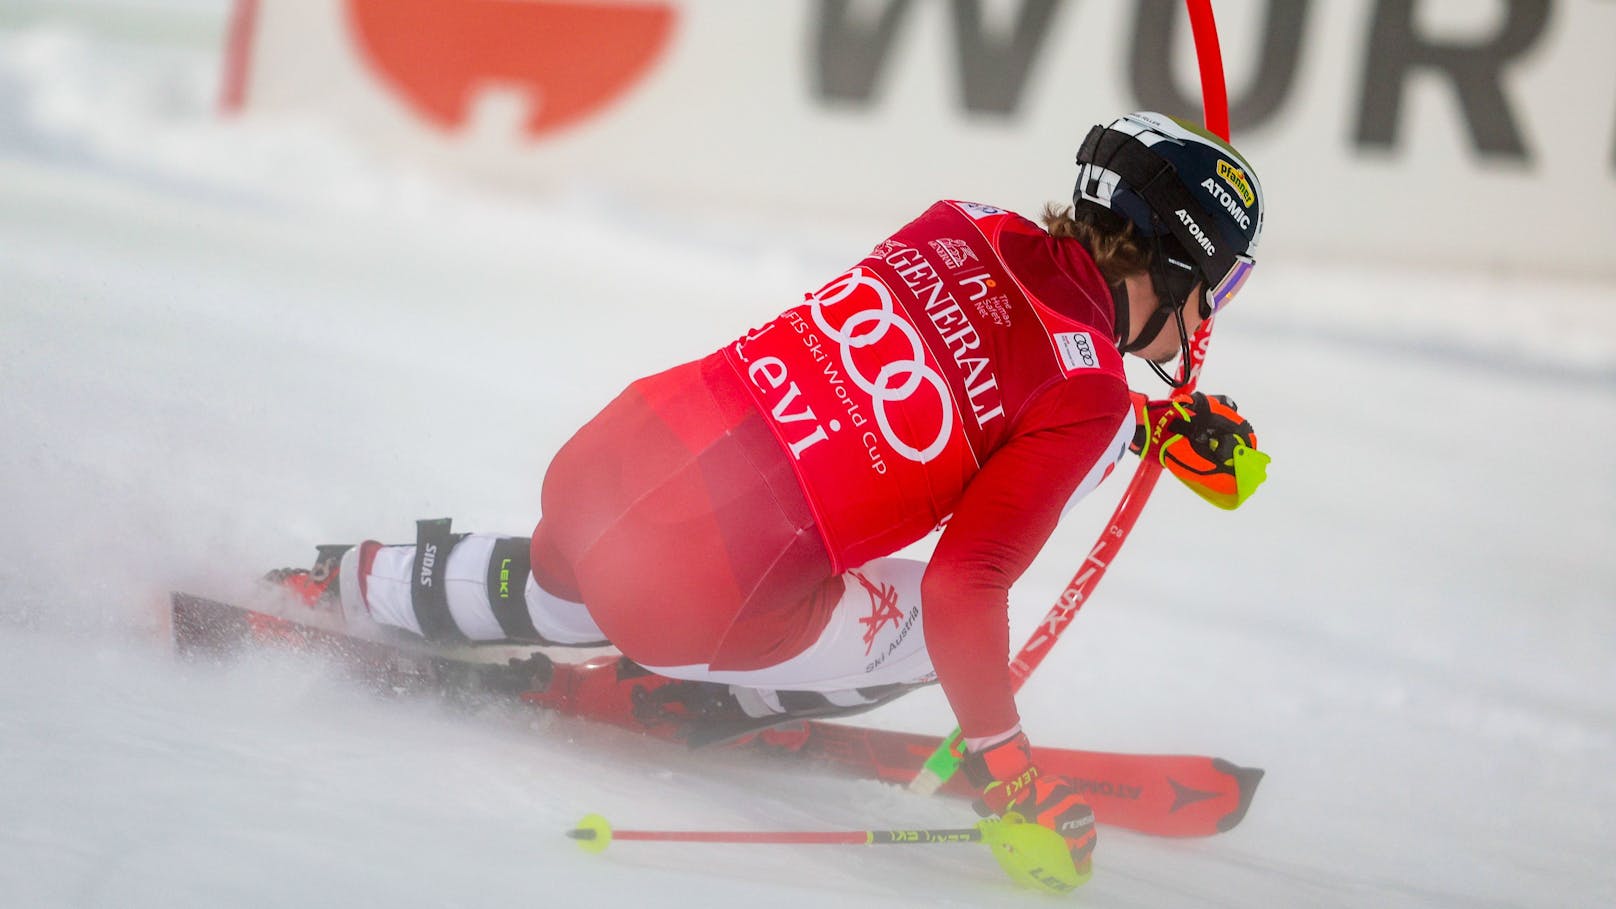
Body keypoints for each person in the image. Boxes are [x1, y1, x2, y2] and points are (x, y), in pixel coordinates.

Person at [276, 111, 1271, 880]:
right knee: (938, 628)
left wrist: (1142, 430)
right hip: (692, 600)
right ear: (1178, 261)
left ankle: (356, 583)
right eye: (1214, 291)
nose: (1202, 319)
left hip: (603, 464)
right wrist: (1012, 788)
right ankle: (682, 690)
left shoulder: (962, 220)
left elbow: (999, 363)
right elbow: (964, 587)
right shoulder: (1088, 394)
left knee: (594, 558)